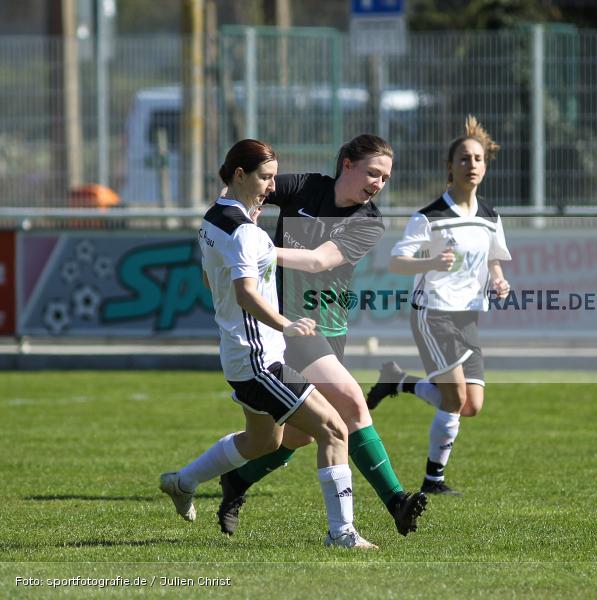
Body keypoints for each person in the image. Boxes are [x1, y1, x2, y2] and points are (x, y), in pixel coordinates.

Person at [159, 139, 376, 548]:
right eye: (265, 177)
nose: (271, 187)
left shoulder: (212, 220)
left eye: (274, 177)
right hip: (260, 358)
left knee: (264, 441)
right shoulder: (245, 233)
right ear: (240, 175)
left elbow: (211, 282)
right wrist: (285, 323)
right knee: (333, 428)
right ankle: (342, 533)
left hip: (238, 354)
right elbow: (244, 293)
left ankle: (182, 482)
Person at [215, 134, 427, 537]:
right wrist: (236, 217)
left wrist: (256, 246)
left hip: (331, 329)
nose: (378, 184)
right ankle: (397, 501)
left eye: (385, 178)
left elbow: (317, 261)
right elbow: (247, 184)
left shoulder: (369, 221)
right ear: (347, 164)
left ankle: (236, 481)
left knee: (297, 436)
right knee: (351, 405)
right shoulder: (306, 187)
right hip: (290, 326)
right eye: (372, 173)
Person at [367, 116, 511, 496]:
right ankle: (433, 481)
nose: (472, 165)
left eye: (478, 158)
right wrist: (430, 262)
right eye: (464, 159)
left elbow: (494, 258)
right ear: (450, 167)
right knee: (455, 397)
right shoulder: (430, 217)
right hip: (432, 313)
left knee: (471, 406)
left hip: (467, 317)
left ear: (486, 164)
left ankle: (397, 381)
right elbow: (397, 262)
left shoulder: (489, 216)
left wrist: (497, 279)